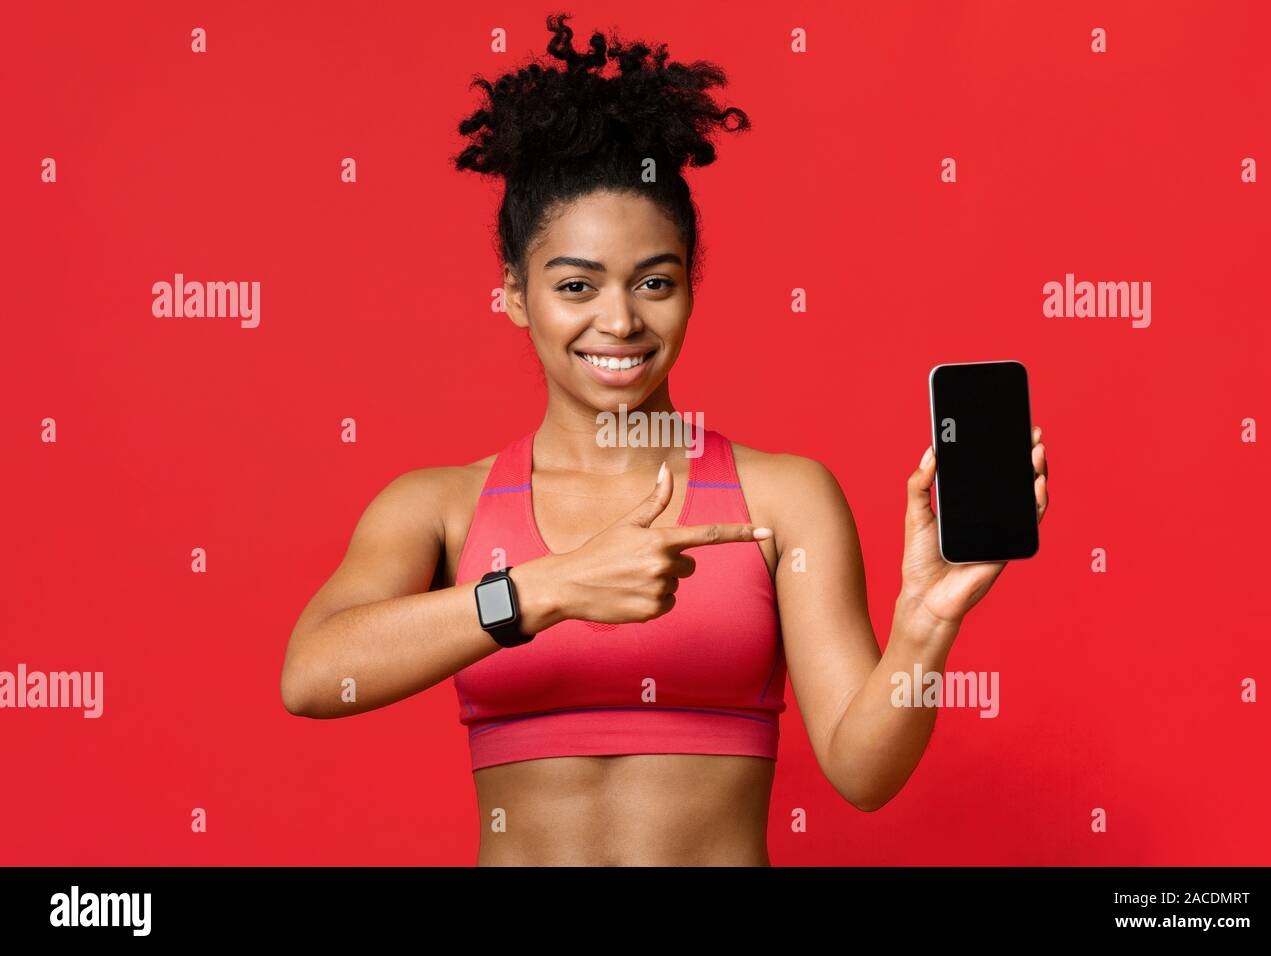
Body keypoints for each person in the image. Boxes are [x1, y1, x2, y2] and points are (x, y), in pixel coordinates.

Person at [279, 13, 1049, 866]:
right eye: (576, 285)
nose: (619, 320)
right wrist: (548, 588)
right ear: (512, 293)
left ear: (690, 284)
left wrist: (922, 627)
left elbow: (863, 772)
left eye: (655, 282)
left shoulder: (783, 496)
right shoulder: (440, 507)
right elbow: (312, 675)